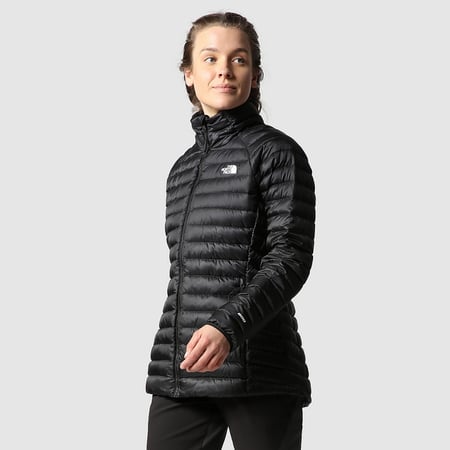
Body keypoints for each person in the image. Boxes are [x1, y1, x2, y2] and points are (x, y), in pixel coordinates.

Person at [145, 11, 315, 450]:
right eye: (210, 58)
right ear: (188, 73)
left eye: (238, 59)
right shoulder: (181, 170)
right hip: (183, 368)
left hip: (259, 370)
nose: (224, 69)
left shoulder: (276, 153)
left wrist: (228, 325)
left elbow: (290, 257)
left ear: (254, 75)